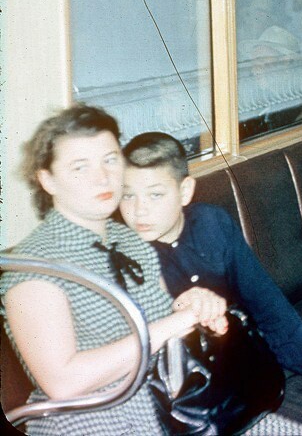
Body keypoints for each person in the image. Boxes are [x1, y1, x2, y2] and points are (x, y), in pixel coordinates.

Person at [119, 132, 302, 435]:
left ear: (185, 191)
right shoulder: (125, 253)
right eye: (127, 195)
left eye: (155, 194)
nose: (139, 209)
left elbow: (264, 301)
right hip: (184, 394)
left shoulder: (212, 224)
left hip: (242, 363)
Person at [0, 106, 232, 436]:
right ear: (47, 179)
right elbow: (63, 383)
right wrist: (171, 324)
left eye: (110, 159)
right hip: (92, 417)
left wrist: (192, 303)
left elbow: (167, 320)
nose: (103, 177)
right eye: (80, 166)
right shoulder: (34, 268)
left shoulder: (129, 239)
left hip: (168, 398)